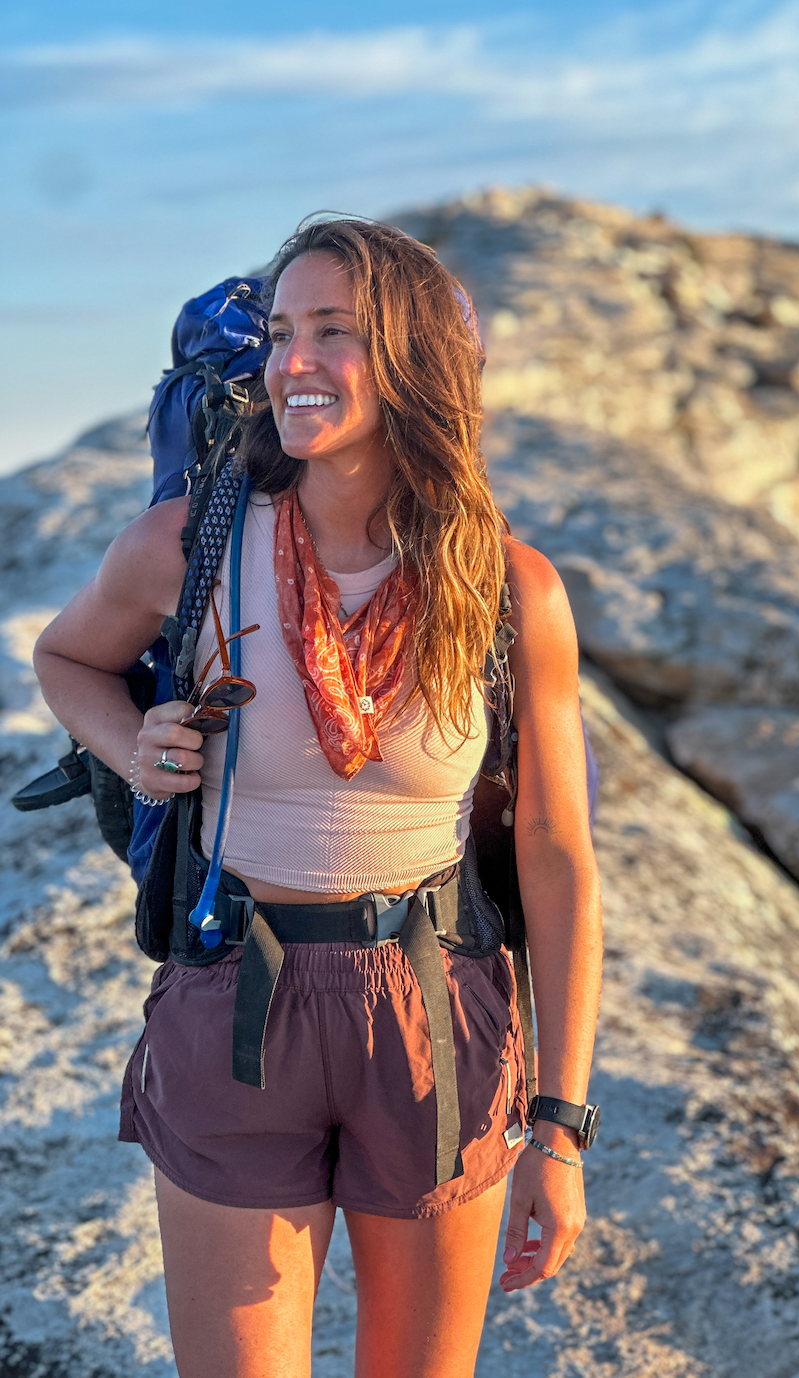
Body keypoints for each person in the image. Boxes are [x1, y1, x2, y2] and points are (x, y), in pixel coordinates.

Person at [33, 217, 602, 1378]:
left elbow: (557, 857)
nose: (293, 361)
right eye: (282, 330)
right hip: (233, 990)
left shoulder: (509, 586)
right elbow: (66, 657)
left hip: (435, 1006)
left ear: (411, 362)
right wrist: (136, 747)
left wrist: (560, 1125)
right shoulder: (190, 545)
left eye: (333, 331)